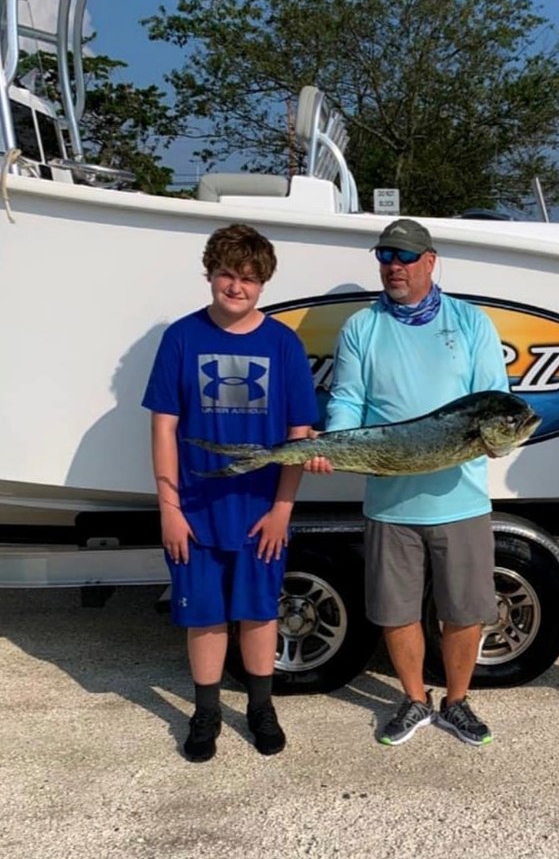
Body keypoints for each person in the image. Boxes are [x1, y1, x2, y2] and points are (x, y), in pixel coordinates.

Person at [323, 218, 508, 746]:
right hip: (390, 501)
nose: (394, 267)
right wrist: (336, 446)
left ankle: (457, 702)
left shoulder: (471, 323)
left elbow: (493, 402)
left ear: (431, 261)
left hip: (462, 501)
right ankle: (412, 699)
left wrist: (496, 441)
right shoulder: (362, 327)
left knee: (466, 611)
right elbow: (347, 400)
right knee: (396, 610)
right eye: (386, 257)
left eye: (405, 257)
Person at [142, 224, 319, 762]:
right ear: (210, 274)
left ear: (262, 282)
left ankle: (261, 706)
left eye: (247, 278)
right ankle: (206, 711)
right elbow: (163, 428)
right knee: (205, 615)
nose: (235, 287)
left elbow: (299, 437)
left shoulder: (283, 344)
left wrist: (281, 511)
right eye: (226, 274)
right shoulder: (182, 338)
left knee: (259, 612)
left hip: (259, 511)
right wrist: (169, 508)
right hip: (194, 510)